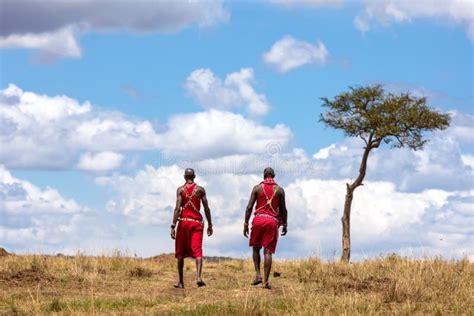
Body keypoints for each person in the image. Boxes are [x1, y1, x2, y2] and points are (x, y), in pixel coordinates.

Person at [243, 167, 288, 289]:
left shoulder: (257, 188)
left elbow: (249, 208)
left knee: (256, 248)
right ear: (273, 176)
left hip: (258, 220)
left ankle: (258, 275)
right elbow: (283, 210)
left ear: (264, 176)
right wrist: (285, 224)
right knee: (268, 252)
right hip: (272, 221)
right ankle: (266, 281)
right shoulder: (280, 190)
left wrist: (246, 223)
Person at [170, 168, 213, 288]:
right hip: (196, 223)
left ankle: (181, 282)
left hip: (183, 223)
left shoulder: (180, 190)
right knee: (198, 250)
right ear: (194, 177)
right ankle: (198, 277)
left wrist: (173, 225)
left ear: (184, 177)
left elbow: (177, 209)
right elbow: (206, 208)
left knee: (180, 252)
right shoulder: (200, 190)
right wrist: (210, 224)